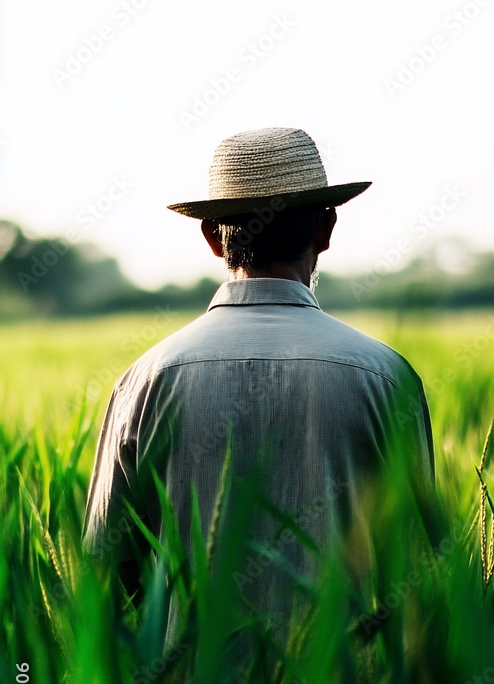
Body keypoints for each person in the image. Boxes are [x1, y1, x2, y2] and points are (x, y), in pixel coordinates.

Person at [83, 127, 435, 657]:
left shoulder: (145, 379)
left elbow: (106, 573)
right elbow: (422, 566)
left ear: (212, 238)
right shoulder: (385, 376)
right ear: (327, 229)